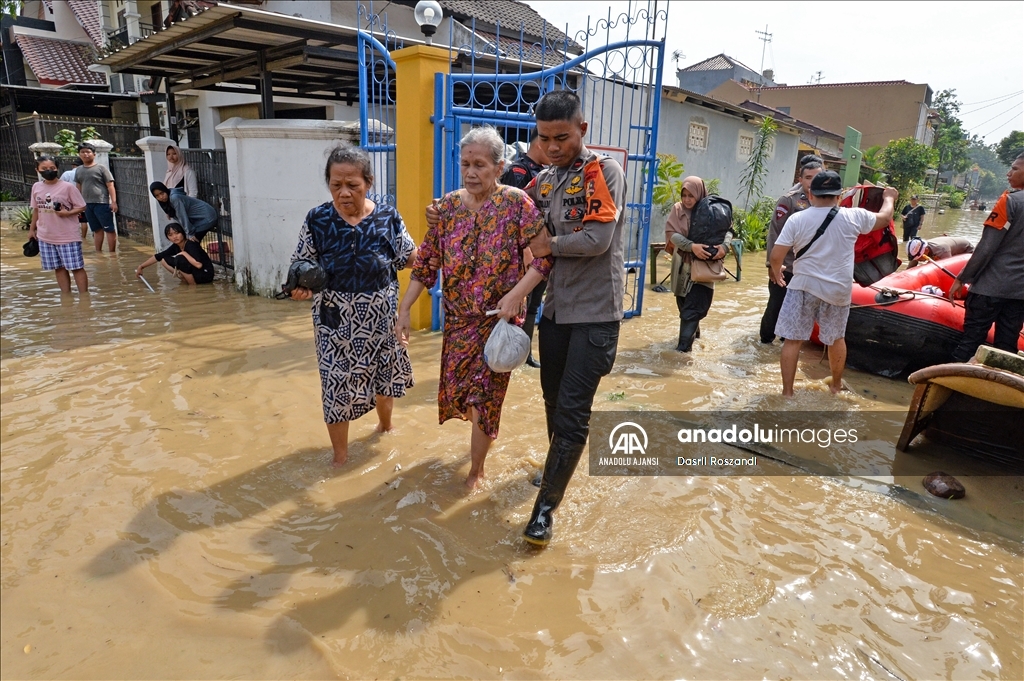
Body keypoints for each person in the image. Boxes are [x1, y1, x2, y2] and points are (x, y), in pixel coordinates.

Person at [399, 126, 550, 489]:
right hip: (458, 324)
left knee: (484, 398)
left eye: (480, 165)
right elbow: (427, 262)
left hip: (499, 322)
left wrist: (515, 295)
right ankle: (482, 440)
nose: (470, 172)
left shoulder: (516, 203)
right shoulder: (448, 207)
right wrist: (404, 309)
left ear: (499, 167)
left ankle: (476, 471)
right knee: (461, 395)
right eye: (465, 164)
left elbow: (544, 257)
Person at [520, 90, 627, 545]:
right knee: (551, 400)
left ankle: (545, 509)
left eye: (561, 137)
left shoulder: (603, 172)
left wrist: (550, 245)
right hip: (556, 310)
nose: (552, 147)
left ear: (582, 129)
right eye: (544, 138)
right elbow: (511, 210)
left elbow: (598, 240)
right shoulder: (545, 181)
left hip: (596, 314)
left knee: (572, 411)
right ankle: (555, 473)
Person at [290, 145, 417, 468]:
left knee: (384, 378)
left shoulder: (388, 217)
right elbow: (300, 264)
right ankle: (340, 458)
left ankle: (386, 427)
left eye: (352, 185)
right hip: (333, 321)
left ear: (368, 182)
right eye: (336, 185)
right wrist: (299, 289)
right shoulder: (317, 219)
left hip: (381, 318)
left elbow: (410, 258)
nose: (344, 193)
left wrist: (441, 243)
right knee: (335, 386)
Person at [770, 171, 897, 396]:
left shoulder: (797, 219)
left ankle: (787, 393)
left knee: (792, 340)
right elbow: (885, 218)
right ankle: (836, 387)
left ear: (810, 194)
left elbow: (776, 255)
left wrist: (776, 270)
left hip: (803, 286)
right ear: (839, 197)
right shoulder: (854, 216)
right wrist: (889, 198)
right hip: (837, 290)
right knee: (836, 339)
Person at [949, 153, 1024, 362]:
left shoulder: (1009, 201)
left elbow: (986, 247)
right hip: (1019, 294)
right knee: (1006, 348)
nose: (1009, 173)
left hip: (990, 288)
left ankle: (953, 378)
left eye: (1015, 169)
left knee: (970, 343)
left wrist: (962, 278)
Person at [501, 129, 550, 367]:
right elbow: (511, 217)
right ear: (539, 143)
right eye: (548, 141)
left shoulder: (546, 173)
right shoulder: (518, 171)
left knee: (532, 305)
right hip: (522, 254)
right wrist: (526, 252)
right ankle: (507, 353)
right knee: (518, 304)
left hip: (542, 253)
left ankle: (524, 353)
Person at [664, 176, 729, 352]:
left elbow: (728, 231)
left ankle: (682, 353)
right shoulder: (678, 209)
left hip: (703, 269)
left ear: (699, 194)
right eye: (684, 195)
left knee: (692, 311)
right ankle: (695, 337)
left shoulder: (713, 210)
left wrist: (724, 247)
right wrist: (692, 246)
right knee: (684, 307)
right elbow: (672, 234)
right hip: (682, 268)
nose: (687, 200)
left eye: (691, 196)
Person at [760, 161, 823, 343]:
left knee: (799, 310)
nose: (812, 182)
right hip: (786, 266)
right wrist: (772, 265)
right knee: (776, 305)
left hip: (809, 269)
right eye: (808, 177)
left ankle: (786, 342)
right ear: (800, 179)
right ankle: (765, 342)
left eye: (816, 177)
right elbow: (774, 234)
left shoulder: (826, 202)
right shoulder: (789, 200)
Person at [28, 155, 89, 294]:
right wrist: (32, 230)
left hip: (67, 235)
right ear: (37, 170)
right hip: (45, 236)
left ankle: (85, 298)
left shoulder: (68, 187)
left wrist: (67, 213)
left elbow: (82, 206)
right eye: (44, 168)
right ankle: (66, 297)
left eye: (52, 168)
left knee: (76, 267)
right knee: (58, 268)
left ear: (57, 169)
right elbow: (36, 210)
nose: (49, 170)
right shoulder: (36, 187)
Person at [135, 222, 215, 285]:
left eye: (177, 233)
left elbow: (199, 265)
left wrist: (184, 253)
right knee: (164, 260)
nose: (174, 237)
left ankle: (192, 286)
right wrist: (141, 266)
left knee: (180, 259)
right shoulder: (176, 246)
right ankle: (185, 280)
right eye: (170, 235)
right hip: (195, 272)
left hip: (205, 274)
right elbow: (158, 256)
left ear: (183, 233)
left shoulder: (191, 244)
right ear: (168, 238)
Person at [75, 142, 118, 253]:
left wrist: (113, 202)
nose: (85, 154)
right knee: (96, 229)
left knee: (109, 229)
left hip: (102, 203)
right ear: (79, 154)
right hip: (87, 204)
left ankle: (112, 253)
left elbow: (110, 185)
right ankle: (98, 253)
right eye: (82, 152)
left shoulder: (101, 168)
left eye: (88, 152)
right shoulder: (78, 170)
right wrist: (78, 203)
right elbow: (78, 186)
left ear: (94, 154)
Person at [149, 181, 218, 242]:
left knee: (191, 242)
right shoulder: (167, 201)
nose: (161, 197)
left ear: (165, 190)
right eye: (157, 196)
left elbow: (182, 216)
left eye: (162, 193)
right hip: (198, 219)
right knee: (184, 241)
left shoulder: (174, 198)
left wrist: (190, 233)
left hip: (207, 218)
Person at [60, 157, 88, 240]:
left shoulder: (67, 173)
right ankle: (83, 238)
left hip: (68, 200)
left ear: (73, 165)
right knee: (83, 220)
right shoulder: (85, 173)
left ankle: (70, 236)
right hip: (82, 198)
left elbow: (60, 185)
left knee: (69, 218)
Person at [906, 235, 974, 267]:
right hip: (950, 248)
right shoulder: (917, 250)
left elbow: (949, 267)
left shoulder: (941, 250)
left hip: (967, 251)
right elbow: (911, 265)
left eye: (920, 258)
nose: (919, 261)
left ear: (926, 250)